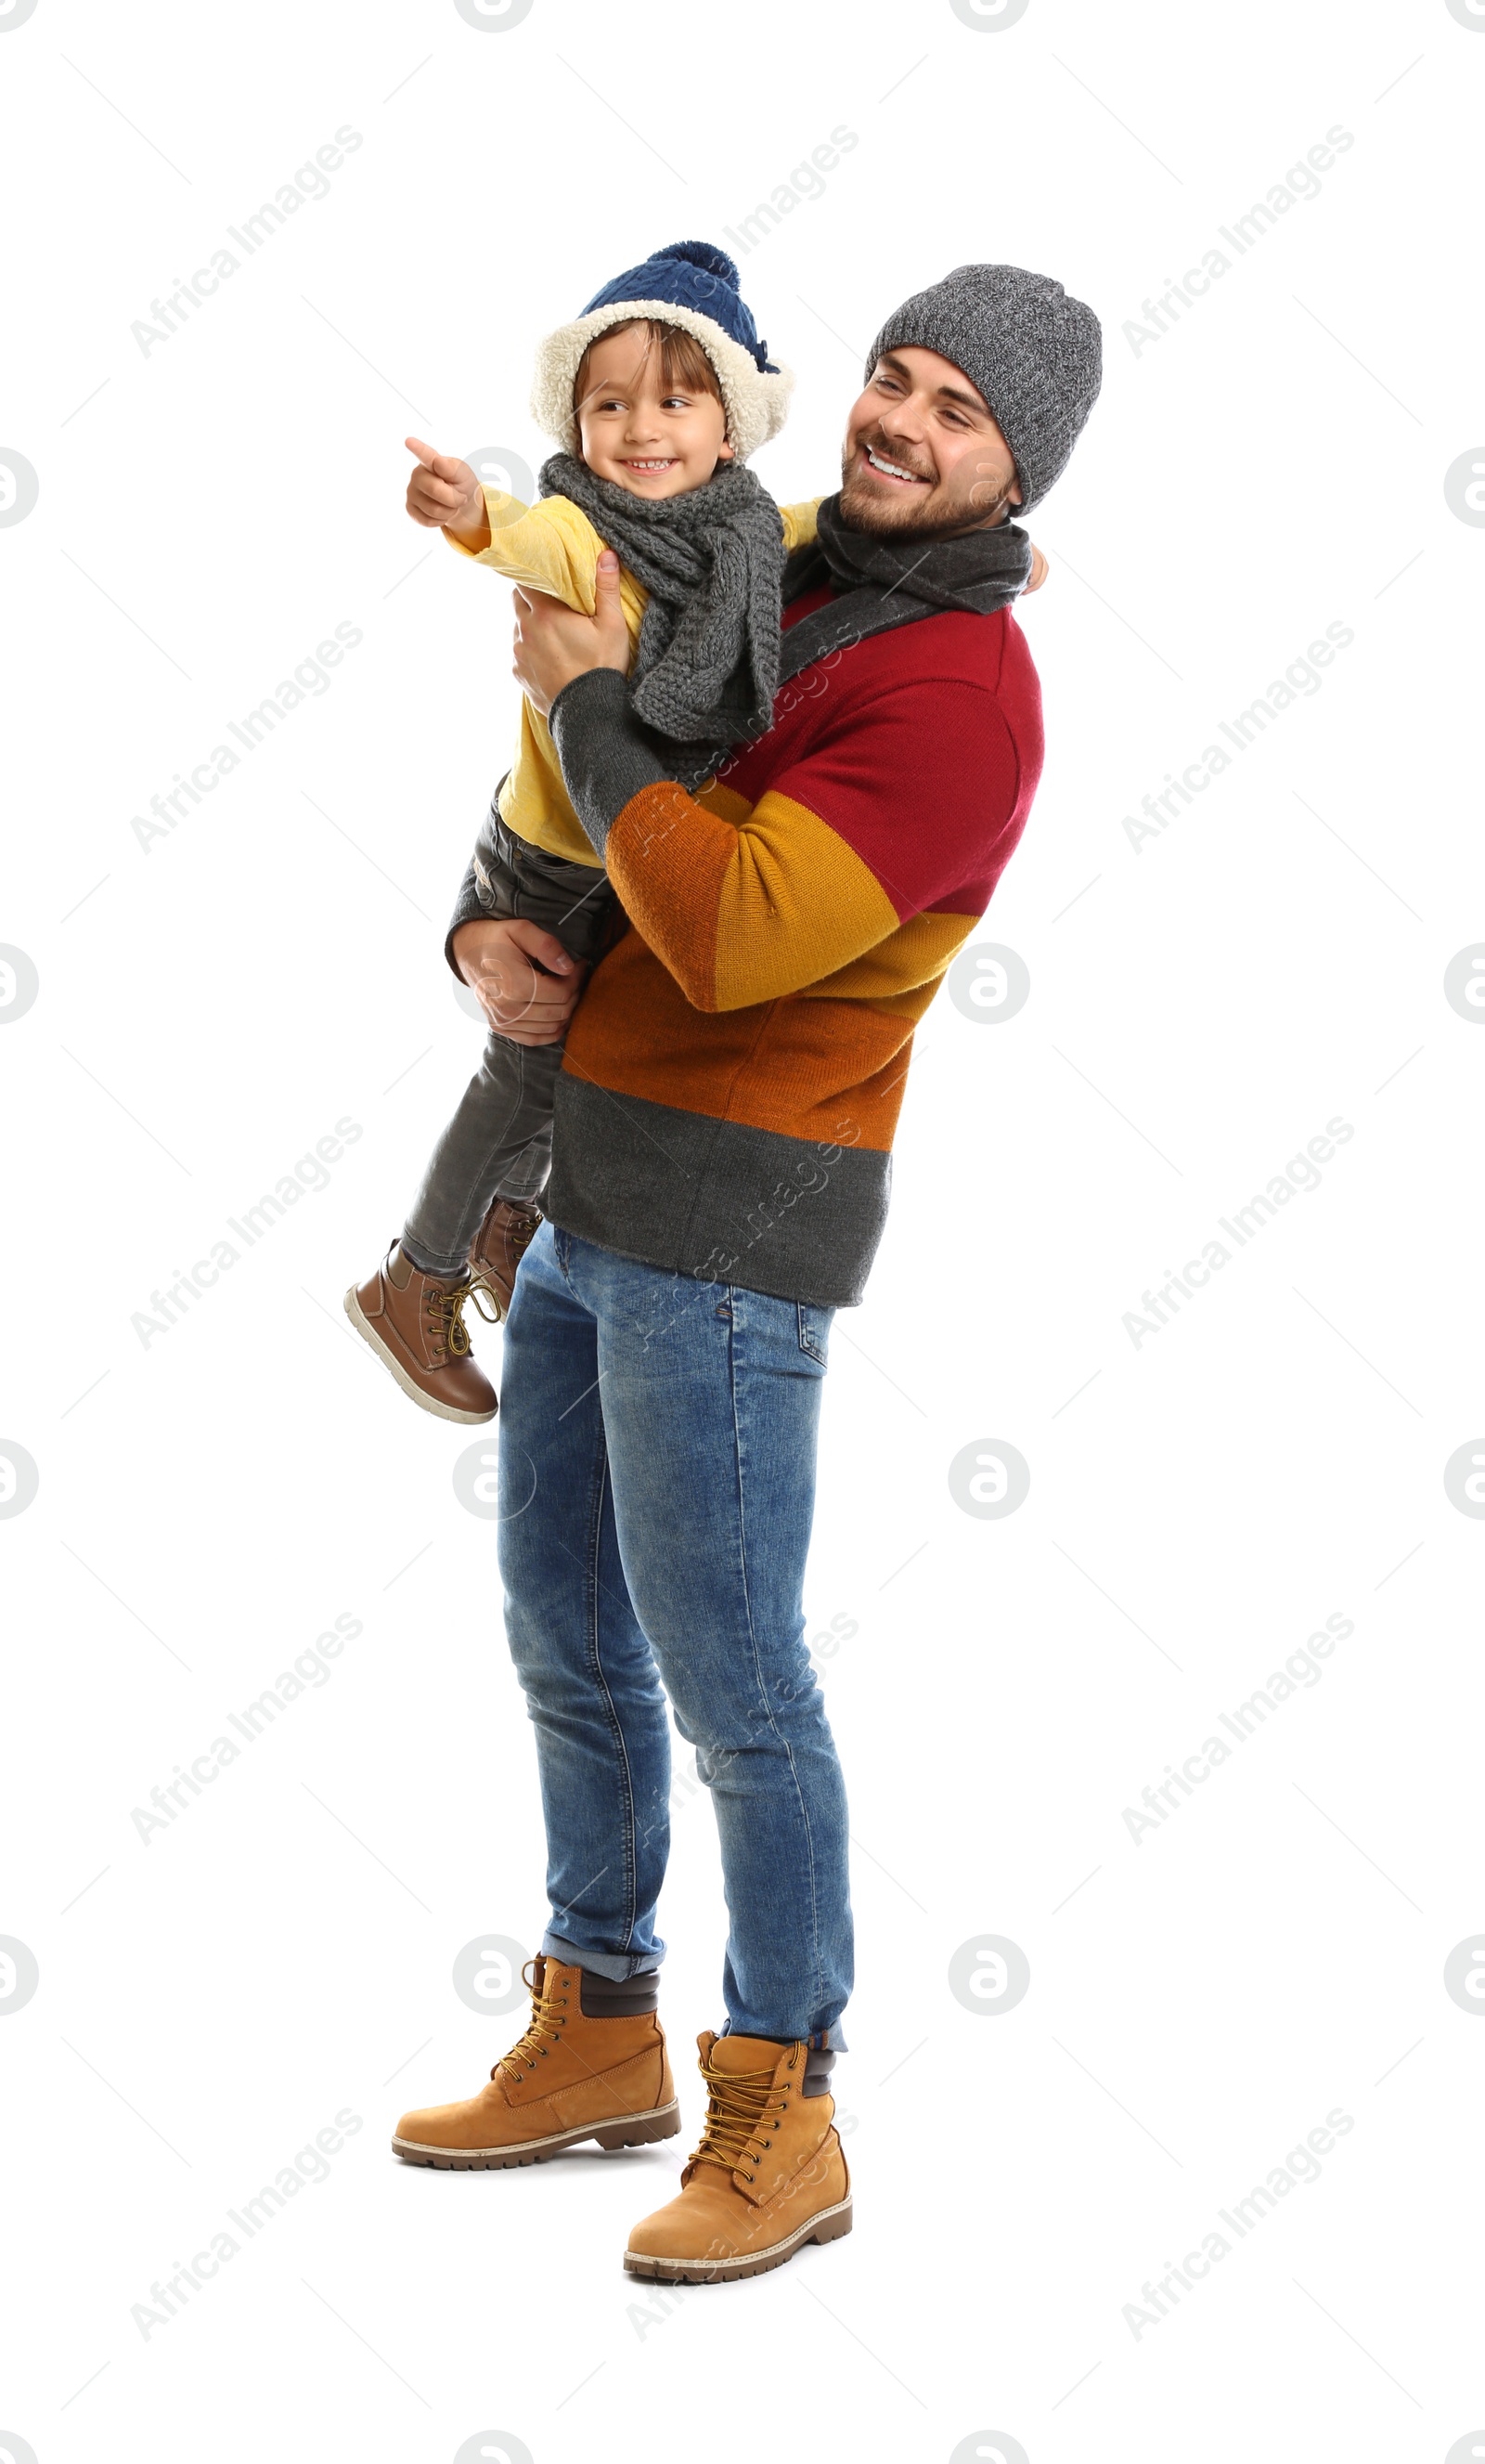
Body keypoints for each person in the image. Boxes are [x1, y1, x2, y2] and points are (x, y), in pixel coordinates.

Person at [391, 265, 1102, 2285]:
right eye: (892, 374)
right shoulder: (772, 554)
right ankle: (596, 2019)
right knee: (563, 1637)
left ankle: (781, 2108)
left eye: (957, 409)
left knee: (737, 1690)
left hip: (731, 1228)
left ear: (1014, 463)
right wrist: (476, 931)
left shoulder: (960, 698)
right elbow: (567, 802)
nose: (901, 420)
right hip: (588, 1193)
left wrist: (583, 694)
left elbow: (712, 924)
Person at [344, 240, 809, 1421]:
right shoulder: (579, 531)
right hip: (554, 855)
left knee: (583, 1067)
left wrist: (993, 562)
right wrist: (463, 507)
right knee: (526, 1062)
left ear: (728, 425)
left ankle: (509, 1225)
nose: (640, 429)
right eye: (609, 404)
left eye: (674, 399)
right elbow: (511, 531)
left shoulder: (749, 537)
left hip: (628, 846)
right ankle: (415, 1276)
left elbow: (841, 534)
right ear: (576, 420)